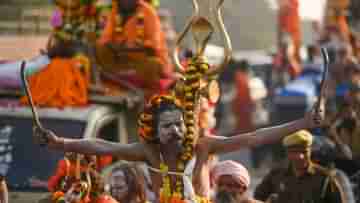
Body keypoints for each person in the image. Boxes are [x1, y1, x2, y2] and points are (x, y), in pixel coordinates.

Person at [33, 94, 323, 203]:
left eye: (180, 124)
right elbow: (103, 145)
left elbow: (255, 137)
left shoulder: (202, 145)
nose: (176, 131)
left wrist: (303, 122)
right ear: (154, 132)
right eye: (168, 126)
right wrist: (61, 143)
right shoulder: (149, 152)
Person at [96, 0, 173, 96]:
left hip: (141, 60)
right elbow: (105, 39)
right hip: (121, 60)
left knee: (153, 65)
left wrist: (134, 47)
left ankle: (128, 81)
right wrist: (114, 46)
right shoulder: (115, 11)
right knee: (100, 50)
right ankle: (119, 78)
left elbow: (154, 45)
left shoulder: (148, 12)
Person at [254, 130, 347, 203]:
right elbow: (257, 198)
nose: (300, 157)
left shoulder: (324, 177)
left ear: (310, 151)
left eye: (304, 152)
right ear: (287, 153)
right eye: (294, 152)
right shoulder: (276, 175)